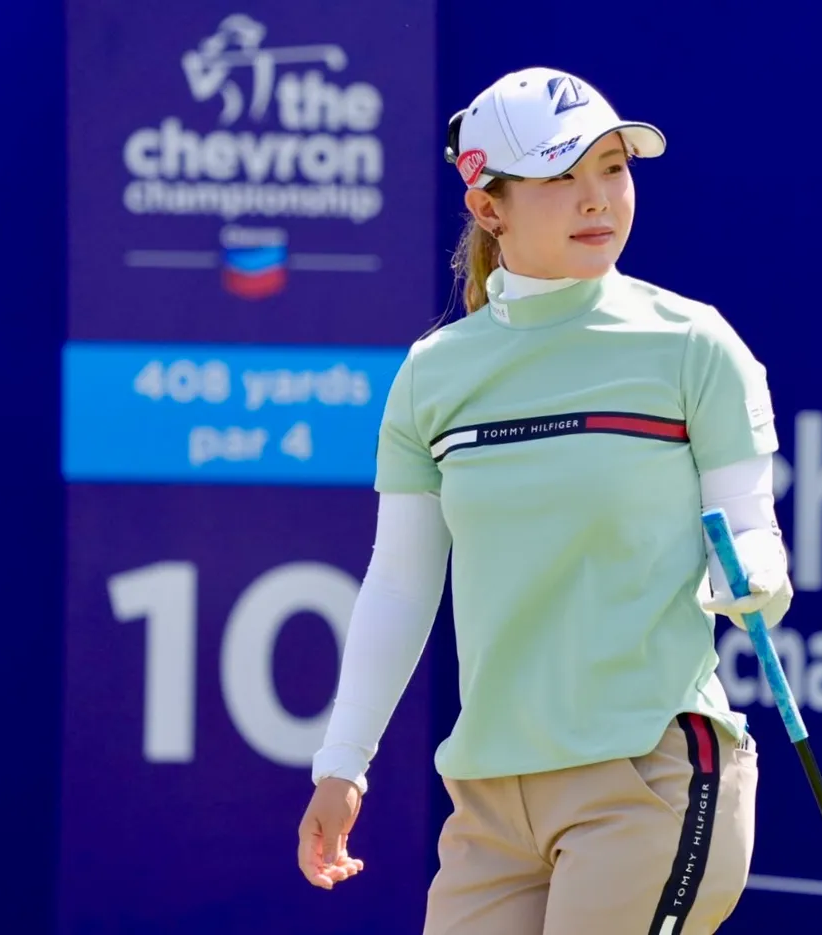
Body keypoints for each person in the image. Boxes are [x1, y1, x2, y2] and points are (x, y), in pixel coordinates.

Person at [296, 65, 794, 935]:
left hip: (648, 776)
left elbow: (751, 526)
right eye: (560, 175)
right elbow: (402, 582)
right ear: (488, 207)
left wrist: (751, 573)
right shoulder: (432, 375)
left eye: (612, 167)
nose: (597, 197)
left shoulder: (695, 345)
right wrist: (344, 759)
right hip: (492, 802)